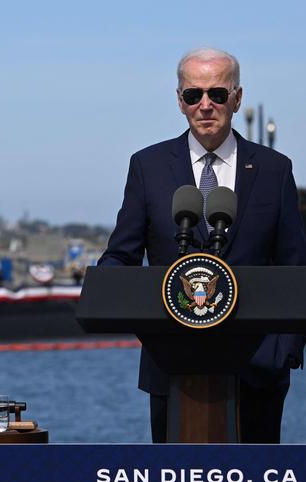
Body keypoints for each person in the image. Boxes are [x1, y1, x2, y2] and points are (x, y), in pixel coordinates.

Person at [98, 48, 306, 443]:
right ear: (180, 101)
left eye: (218, 94)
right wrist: (103, 290)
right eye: (193, 95)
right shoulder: (148, 166)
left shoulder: (275, 169)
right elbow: (121, 255)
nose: (205, 105)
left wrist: (287, 351)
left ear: (237, 98)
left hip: (258, 371)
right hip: (172, 365)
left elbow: (296, 264)